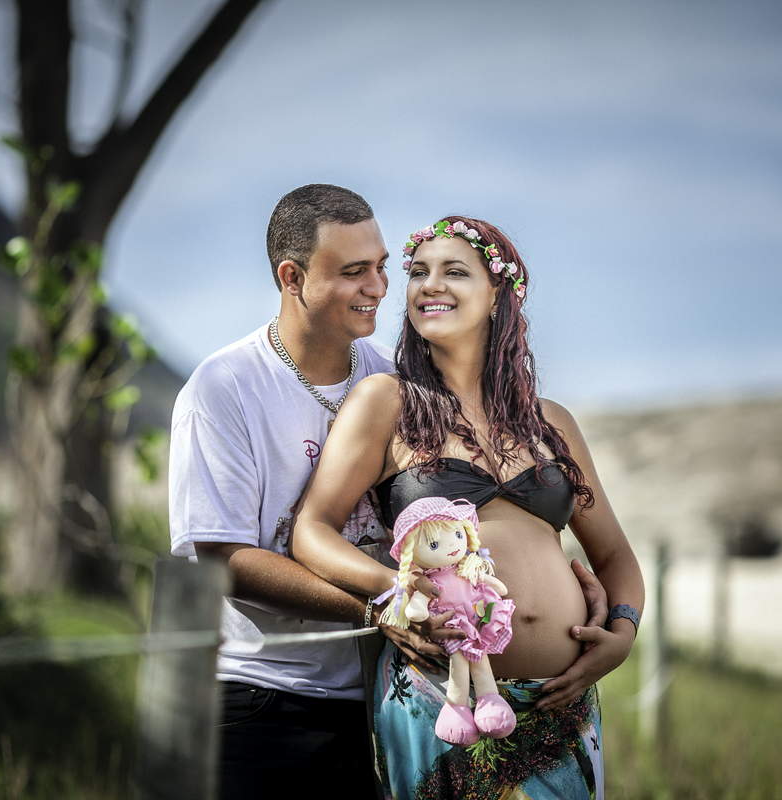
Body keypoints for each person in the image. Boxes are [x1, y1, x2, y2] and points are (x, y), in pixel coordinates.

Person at [292, 216, 645, 799]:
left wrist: (624, 633)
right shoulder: (387, 403)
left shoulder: (552, 423)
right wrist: (393, 593)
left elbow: (614, 556)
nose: (430, 284)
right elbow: (312, 530)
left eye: (455, 271)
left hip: (562, 703)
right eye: (418, 273)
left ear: (500, 294)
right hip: (440, 697)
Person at [168, 184, 398, 798]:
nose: (378, 287)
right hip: (262, 702)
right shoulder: (224, 388)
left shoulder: (394, 382)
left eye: (381, 267)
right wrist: (381, 610)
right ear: (291, 277)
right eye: (354, 272)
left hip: (383, 702)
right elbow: (225, 558)